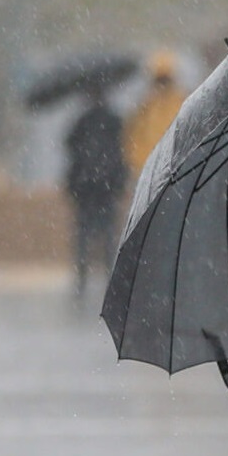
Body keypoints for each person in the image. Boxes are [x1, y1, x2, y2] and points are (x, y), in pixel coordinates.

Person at [63, 82, 128, 299]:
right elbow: (122, 151)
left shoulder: (81, 121)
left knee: (84, 232)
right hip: (106, 186)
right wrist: (119, 181)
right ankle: (110, 275)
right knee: (108, 232)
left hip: (85, 186)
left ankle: (82, 275)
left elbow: (69, 146)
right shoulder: (115, 120)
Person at [124, 49, 187, 180]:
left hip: (170, 167)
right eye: (160, 79)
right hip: (153, 168)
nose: (162, 84)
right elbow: (134, 138)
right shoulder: (146, 105)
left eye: (165, 79)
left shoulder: (181, 101)